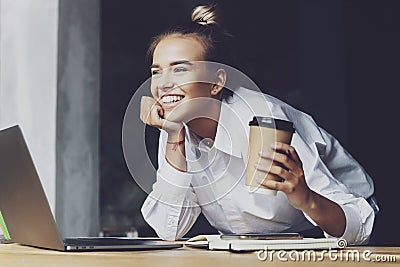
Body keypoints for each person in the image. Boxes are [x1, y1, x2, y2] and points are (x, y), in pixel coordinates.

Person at [139, 4, 377, 245]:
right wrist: (173, 136)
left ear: (216, 81)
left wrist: (304, 197)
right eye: (157, 72)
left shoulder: (265, 120)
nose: (163, 84)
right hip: (250, 244)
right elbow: (170, 230)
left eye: (179, 69)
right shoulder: (175, 127)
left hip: (327, 232)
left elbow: (357, 224)